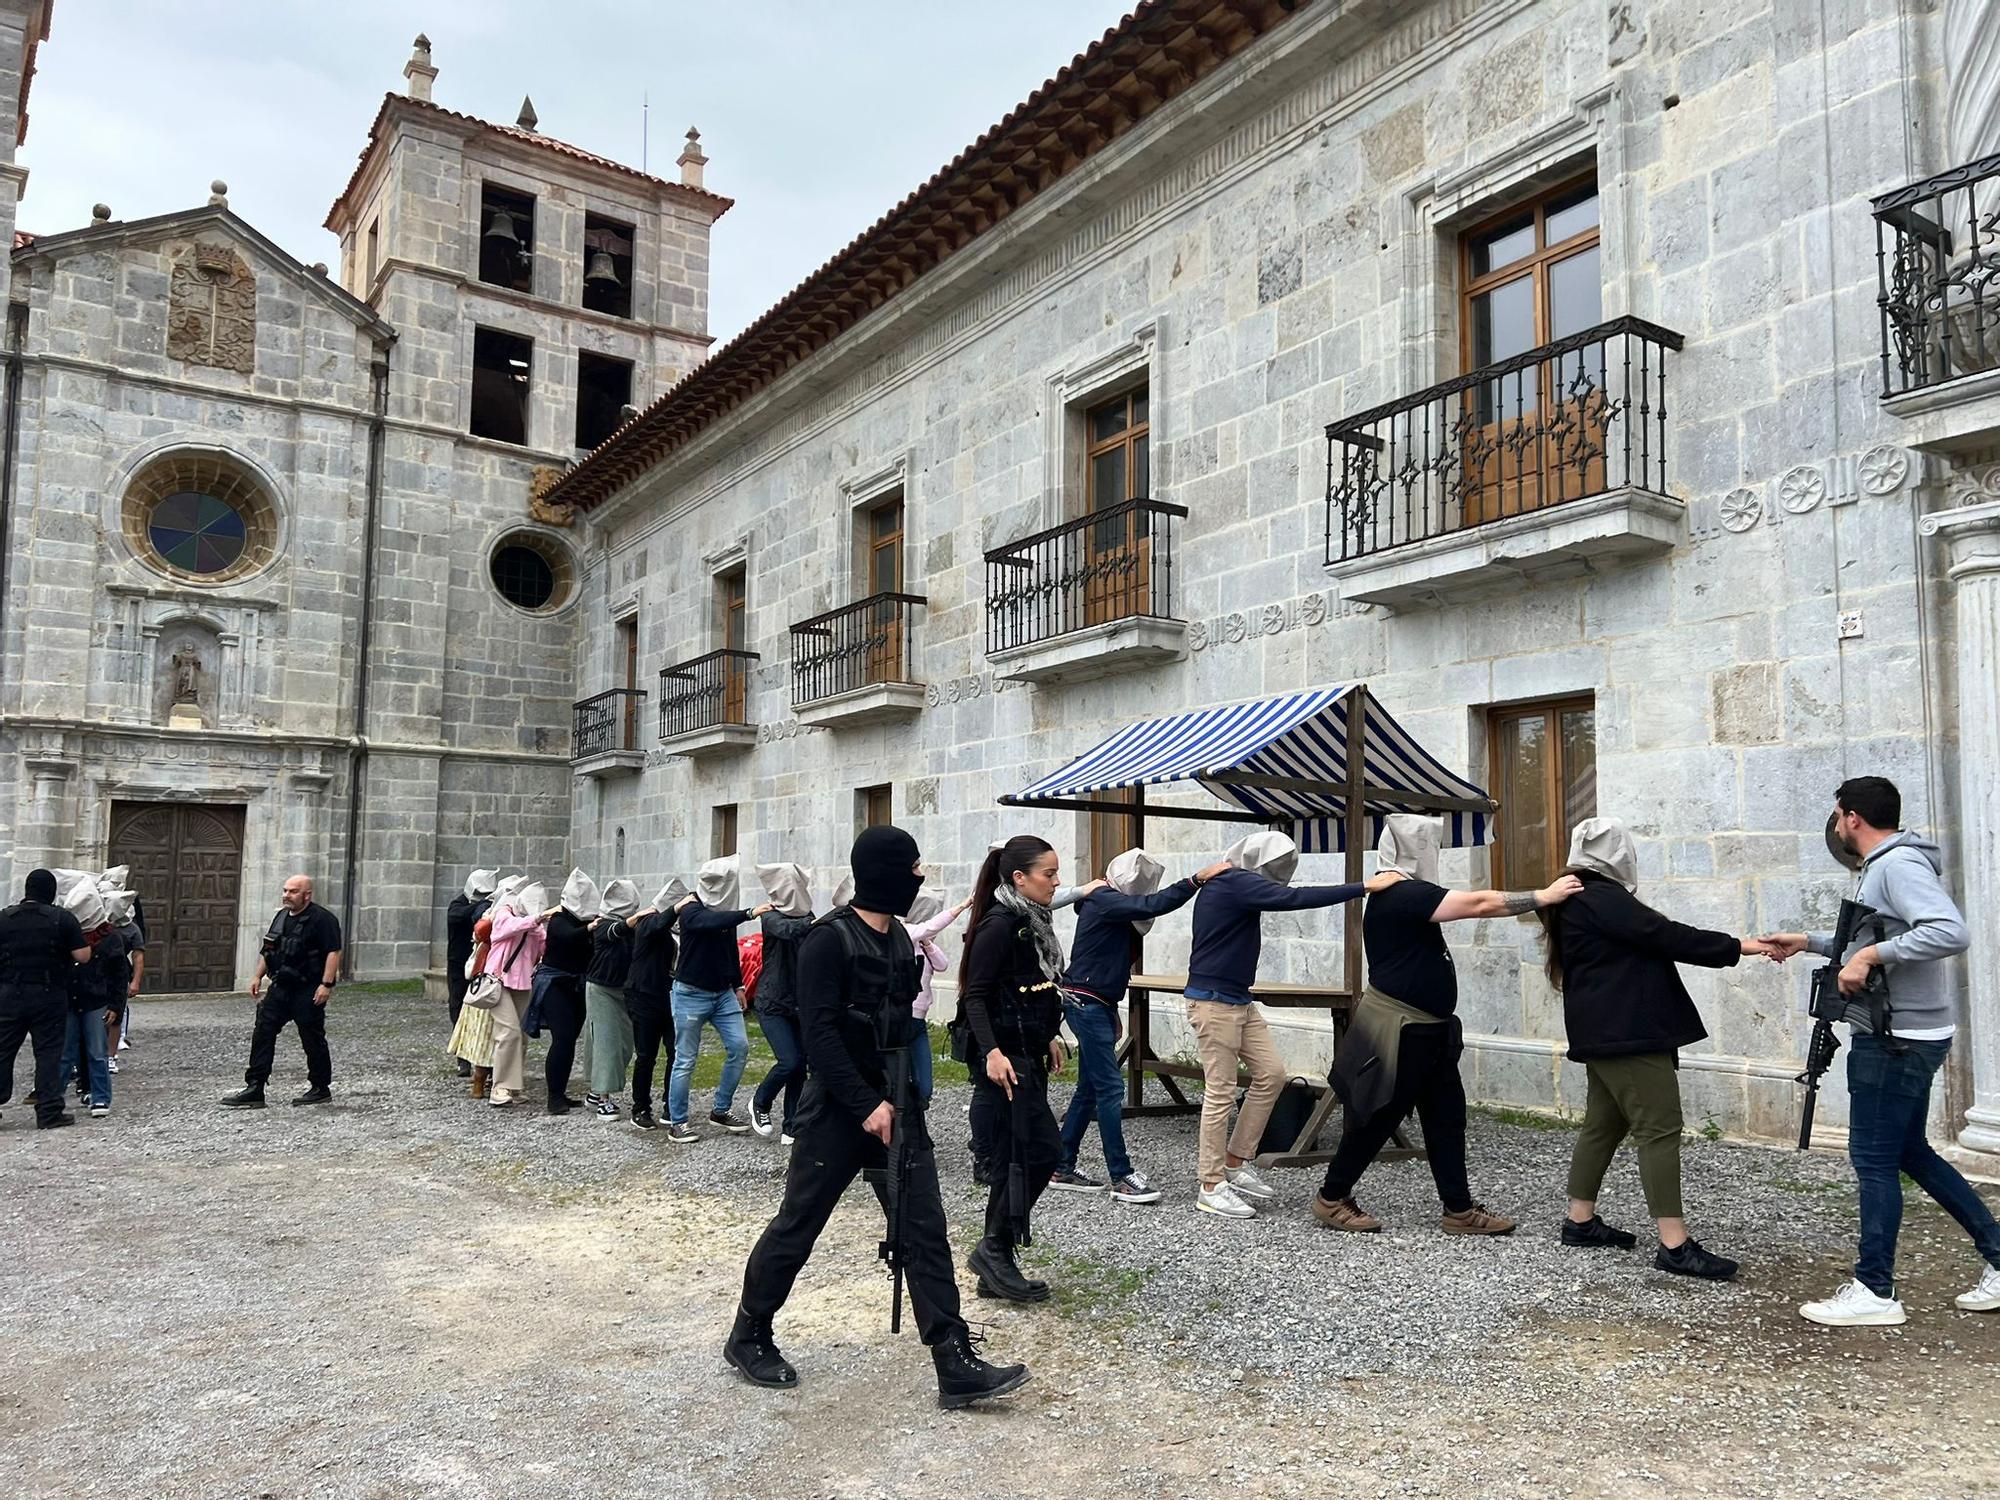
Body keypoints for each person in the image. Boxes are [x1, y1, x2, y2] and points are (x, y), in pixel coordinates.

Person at [729, 825, 1029, 1409]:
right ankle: (748, 1334)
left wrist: (898, 1100)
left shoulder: (897, 939)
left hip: (899, 1104)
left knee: (925, 1230)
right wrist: (865, 1105)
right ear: (884, 872)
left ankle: (954, 1361)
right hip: (838, 1112)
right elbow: (817, 1035)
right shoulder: (827, 941)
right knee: (799, 1223)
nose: (919, 877)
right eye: (913, 867)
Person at [1765, 777, 2000, 1324]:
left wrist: (1868, 957)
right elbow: (1877, 936)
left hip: (1895, 1039)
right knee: (1908, 1152)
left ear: (1850, 818)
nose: (1837, 824)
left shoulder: (1897, 864)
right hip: (1906, 1034)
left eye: (1837, 815)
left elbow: (1948, 931)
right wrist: (1811, 942)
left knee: (1873, 1160)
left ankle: (1875, 1291)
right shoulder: (1888, 864)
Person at [1310, 818, 1572, 1234]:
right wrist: (1543, 895)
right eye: (1428, 844)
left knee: (1446, 1116)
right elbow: (1480, 905)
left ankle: (1459, 1209)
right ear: (1416, 850)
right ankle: (1331, 1197)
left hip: (1429, 1030)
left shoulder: (1403, 893)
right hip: (1402, 1028)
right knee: (1378, 1115)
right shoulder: (1401, 893)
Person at [1540, 819, 1772, 1279]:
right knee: (1659, 1129)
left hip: (1607, 1031)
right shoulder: (1600, 896)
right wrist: (1742, 946)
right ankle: (1674, 1244)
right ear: (1617, 854)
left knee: (1604, 1124)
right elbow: (1666, 935)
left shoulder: (1576, 895)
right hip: (1627, 1033)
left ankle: (1580, 1220)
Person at [1182, 832, 1380, 1219]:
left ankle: (1236, 1161)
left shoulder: (1236, 882)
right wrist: (1364, 886)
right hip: (1213, 1003)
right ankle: (1210, 1185)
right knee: (1220, 1091)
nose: (1279, 875)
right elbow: (1293, 899)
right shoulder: (1233, 881)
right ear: (1257, 863)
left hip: (1239, 999)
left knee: (1271, 1074)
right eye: (1275, 867)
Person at [1051, 849, 1231, 1205]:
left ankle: (1061, 1165)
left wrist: (1112, 1009)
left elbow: (1106, 961)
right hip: (1085, 1002)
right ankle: (1120, 1175)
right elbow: (1154, 905)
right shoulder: (1103, 899)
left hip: (1094, 1001)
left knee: (1091, 1088)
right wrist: (1196, 879)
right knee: (1110, 1089)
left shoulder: (1107, 903)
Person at [958, 835, 1073, 1302]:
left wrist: (1048, 1033)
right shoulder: (1000, 924)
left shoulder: (1031, 920)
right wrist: (992, 1053)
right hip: (1005, 1060)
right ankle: (994, 1248)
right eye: (1049, 873)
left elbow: (1031, 986)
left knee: (1018, 1155)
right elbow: (975, 994)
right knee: (1043, 1151)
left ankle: (995, 1261)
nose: (1057, 881)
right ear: (1020, 878)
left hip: (1025, 1050)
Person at [666, 857, 773, 1144]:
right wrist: (749, 912)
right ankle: (678, 1122)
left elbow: (729, 949)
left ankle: (721, 1110)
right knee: (685, 1060)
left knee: (739, 1047)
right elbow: (710, 922)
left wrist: (738, 986)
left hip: (723, 994)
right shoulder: (691, 908)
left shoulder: (725, 913)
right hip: (690, 993)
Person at [221, 875, 343, 1108]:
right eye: (285, 890)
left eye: (293, 892)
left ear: (307, 895)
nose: (287, 895)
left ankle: (320, 1087)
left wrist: (326, 985)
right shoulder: (281, 917)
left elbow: (333, 952)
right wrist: (257, 976)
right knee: (263, 1031)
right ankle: (255, 1086)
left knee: (312, 1036)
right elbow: (269, 949)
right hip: (281, 987)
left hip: (308, 988)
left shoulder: (322, 919)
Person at [0, 870, 90, 1129]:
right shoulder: (62, 919)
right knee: (49, 1053)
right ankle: (49, 1111)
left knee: (3, 1051)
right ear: (51, 892)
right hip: (48, 995)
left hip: (9, 995)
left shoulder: (4, 919)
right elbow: (83, 956)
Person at [747, 862, 815, 1142]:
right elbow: (791, 930)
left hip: (798, 1002)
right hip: (772, 1002)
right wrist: (822, 921)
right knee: (788, 1061)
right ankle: (760, 1102)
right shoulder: (771, 916)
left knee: (801, 1065)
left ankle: (792, 1125)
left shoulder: (808, 917)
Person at [60, 882, 130, 1119]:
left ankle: (100, 1097)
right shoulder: (66, 933)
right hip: (70, 999)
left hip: (96, 1000)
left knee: (97, 1051)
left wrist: (116, 1006)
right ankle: (53, 1097)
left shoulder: (110, 937)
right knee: (65, 1052)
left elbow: (120, 975)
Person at [450, 877, 518, 1100]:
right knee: (485, 1033)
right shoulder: (489, 919)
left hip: (497, 980)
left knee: (493, 1033)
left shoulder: (493, 917)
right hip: (488, 981)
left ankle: (490, 1079)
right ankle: (480, 1080)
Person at [625, 878, 685, 1130]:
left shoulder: (682, 930)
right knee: (646, 1055)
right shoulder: (649, 922)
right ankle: (640, 1107)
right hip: (644, 996)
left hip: (672, 997)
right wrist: (675, 910)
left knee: (676, 1052)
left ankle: (671, 1105)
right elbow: (658, 924)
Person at [482, 880, 548, 1109]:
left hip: (522, 983)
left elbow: (543, 949)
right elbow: (507, 928)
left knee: (520, 1035)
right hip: (497, 982)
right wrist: (537, 919)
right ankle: (498, 1087)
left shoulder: (535, 926)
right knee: (508, 1032)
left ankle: (514, 1087)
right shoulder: (504, 913)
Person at [902, 888, 971, 1105]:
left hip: (919, 1021)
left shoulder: (922, 942)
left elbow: (942, 964)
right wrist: (961, 906)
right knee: (902, 1081)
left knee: (924, 1086)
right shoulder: (906, 932)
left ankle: (915, 1122)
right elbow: (930, 926)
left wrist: (929, 944)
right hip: (904, 1018)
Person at [540, 869, 598, 1114]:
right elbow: (566, 936)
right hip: (556, 985)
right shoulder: (559, 919)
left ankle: (560, 1092)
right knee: (562, 1038)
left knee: (570, 1040)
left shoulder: (588, 921)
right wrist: (590, 929)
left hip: (577, 985)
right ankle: (554, 1097)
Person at [582, 878, 640, 1121]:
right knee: (606, 1044)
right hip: (601, 990)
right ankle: (604, 1098)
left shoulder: (634, 928)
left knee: (625, 1045)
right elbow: (617, 930)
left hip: (623, 990)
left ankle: (596, 1090)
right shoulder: (602, 926)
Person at [445, 868, 498, 1075]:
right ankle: (463, 1058)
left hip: (481, 965)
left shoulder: (490, 908)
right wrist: (480, 907)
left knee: (481, 1011)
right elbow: (457, 916)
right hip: (459, 964)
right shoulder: (458, 905)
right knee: (458, 1008)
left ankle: (482, 1058)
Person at [103, 885, 144, 1070]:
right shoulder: (99, 925)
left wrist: (135, 981)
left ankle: (111, 1056)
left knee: (116, 1016)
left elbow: (138, 955)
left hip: (119, 974)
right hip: (97, 974)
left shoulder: (132, 929)